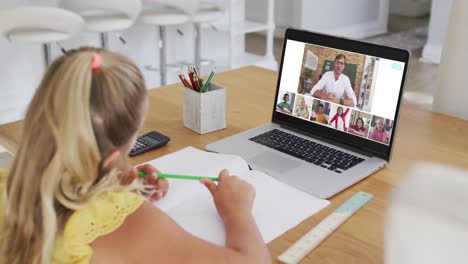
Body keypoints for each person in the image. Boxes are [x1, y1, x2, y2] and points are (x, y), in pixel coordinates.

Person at [0, 48, 270, 264]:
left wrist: (107, 185)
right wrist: (236, 210)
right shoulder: (126, 223)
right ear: (114, 155)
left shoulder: (6, 185)